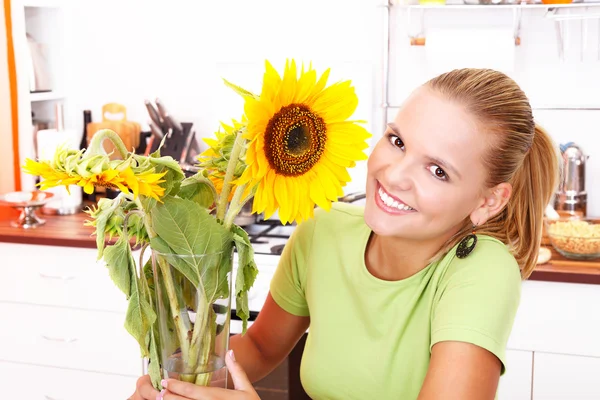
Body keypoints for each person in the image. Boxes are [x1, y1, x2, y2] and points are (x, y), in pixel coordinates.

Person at [131, 68, 560, 400]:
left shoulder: (481, 270)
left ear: (488, 201)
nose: (395, 175)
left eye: (438, 170)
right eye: (397, 141)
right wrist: (176, 381)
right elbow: (260, 348)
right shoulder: (322, 232)